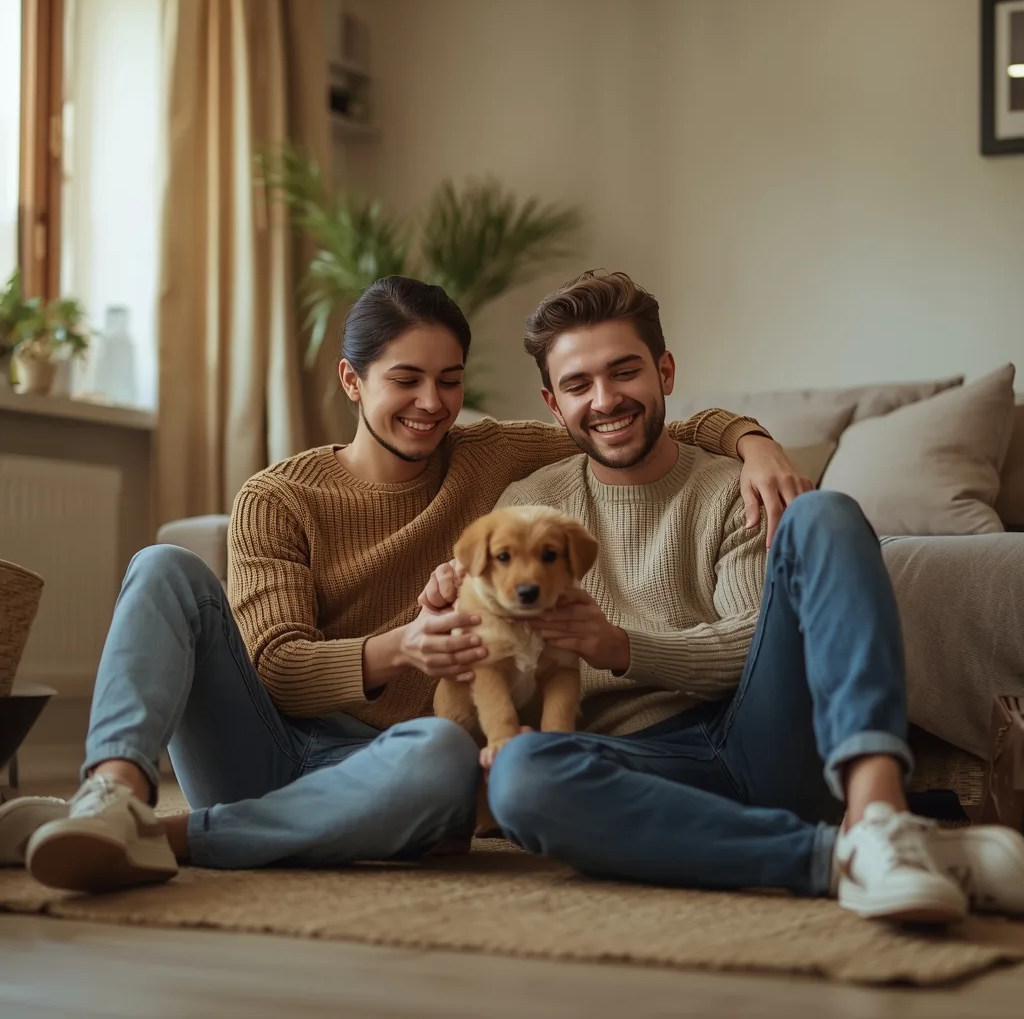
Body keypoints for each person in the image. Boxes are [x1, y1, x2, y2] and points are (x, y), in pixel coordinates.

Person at [0, 276, 809, 893]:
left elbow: (615, 419)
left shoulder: (487, 454)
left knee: (443, 758)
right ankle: (112, 797)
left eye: (449, 380)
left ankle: (173, 838)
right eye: (405, 380)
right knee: (163, 566)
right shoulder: (277, 497)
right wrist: (403, 648)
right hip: (269, 747)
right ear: (354, 382)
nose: (431, 405)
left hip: (397, 764)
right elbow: (275, 666)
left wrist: (750, 440)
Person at [422, 270, 1024, 924]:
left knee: (824, 513)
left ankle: (878, 812)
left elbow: (748, 642)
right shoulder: (529, 504)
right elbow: (486, 634)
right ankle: (839, 857)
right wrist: (444, 609)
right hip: (635, 763)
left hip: (755, 734)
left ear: (665, 373)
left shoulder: (732, 487)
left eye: (624, 372)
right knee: (524, 780)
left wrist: (623, 647)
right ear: (552, 402)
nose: (605, 399)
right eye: (578, 385)